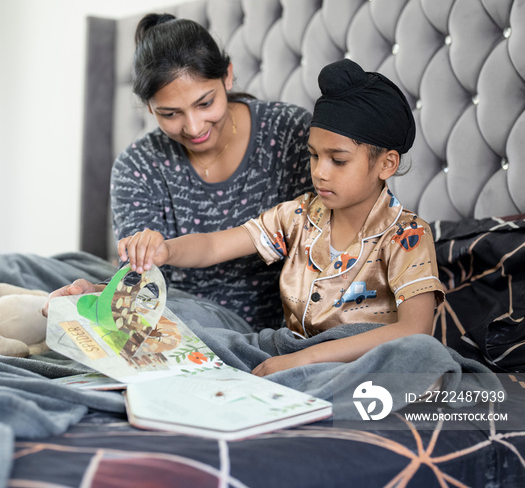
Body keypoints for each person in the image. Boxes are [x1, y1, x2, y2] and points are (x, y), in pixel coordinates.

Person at [119, 58, 445, 376]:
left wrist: (307, 360)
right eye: (314, 156)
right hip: (284, 349)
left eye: (338, 160)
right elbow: (214, 247)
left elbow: (416, 330)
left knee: (420, 357)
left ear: (387, 164)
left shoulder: (407, 234)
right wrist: (167, 250)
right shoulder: (298, 215)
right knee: (179, 322)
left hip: (357, 363)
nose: (320, 173)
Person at [44, 14, 312, 330]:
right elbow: (144, 280)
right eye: (170, 114)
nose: (194, 127)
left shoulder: (289, 134)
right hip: (178, 317)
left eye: (205, 103)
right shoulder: (138, 167)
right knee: (34, 267)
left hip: (266, 327)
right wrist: (98, 295)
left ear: (227, 76)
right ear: (148, 107)